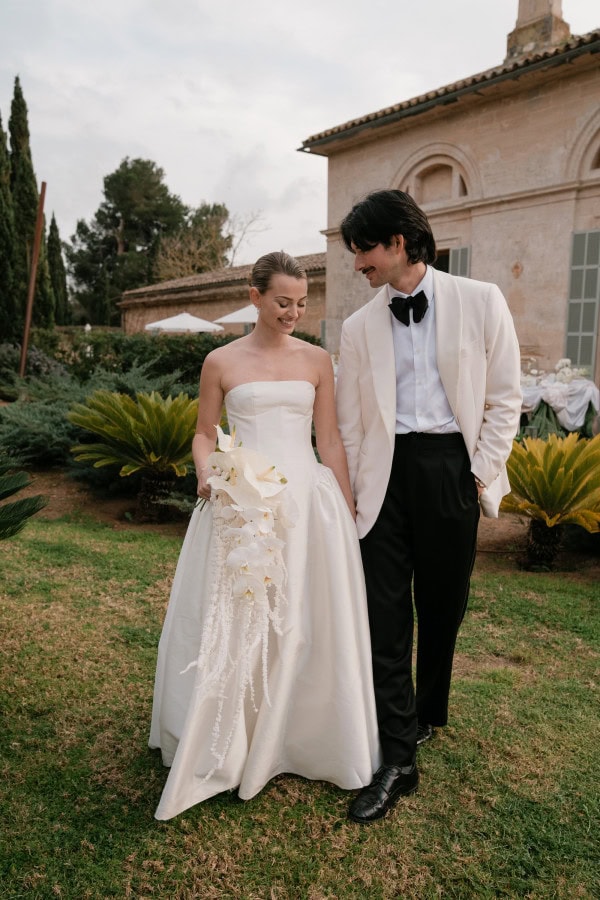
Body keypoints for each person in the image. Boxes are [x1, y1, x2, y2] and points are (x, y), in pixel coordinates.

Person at [149, 250, 380, 820]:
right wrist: (207, 473)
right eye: (282, 302)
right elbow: (205, 433)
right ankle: (229, 739)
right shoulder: (220, 361)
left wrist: (347, 505)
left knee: (303, 616)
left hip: (306, 504)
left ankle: (300, 735)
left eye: (301, 303)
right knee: (240, 614)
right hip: (241, 503)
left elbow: (329, 439)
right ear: (255, 297)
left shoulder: (318, 360)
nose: (293, 313)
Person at [335, 190, 522, 824]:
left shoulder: (482, 300)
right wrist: (354, 493)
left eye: (363, 250)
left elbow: (505, 397)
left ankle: (425, 713)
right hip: (382, 480)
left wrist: (477, 474)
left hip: (451, 472)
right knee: (384, 616)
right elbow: (351, 423)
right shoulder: (357, 327)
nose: (357, 264)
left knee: (443, 606)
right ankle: (398, 757)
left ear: (398, 243)